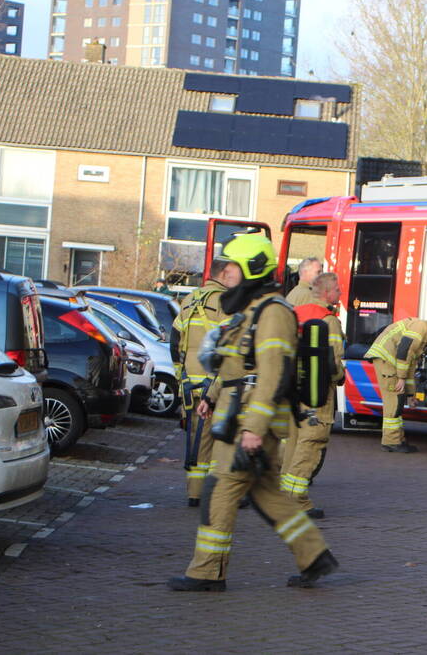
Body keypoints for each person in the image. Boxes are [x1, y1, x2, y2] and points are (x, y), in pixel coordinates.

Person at [168, 233, 338, 592]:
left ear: (250, 269)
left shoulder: (273, 312)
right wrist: (211, 395)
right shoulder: (250, 311)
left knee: (219, 491)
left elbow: (271, 372)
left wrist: (255, 428)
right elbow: (236, 366)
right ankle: (314, 556)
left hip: (249, 421)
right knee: (267, 494)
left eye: (231, 266)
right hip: (238, 414)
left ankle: (206, 572)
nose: (225, 273)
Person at [169, 259, 235, 507]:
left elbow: (175, 342)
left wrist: (180, 377)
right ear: (225, 275)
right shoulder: (225, 303)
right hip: (215, 384)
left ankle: (194, 493)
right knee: (220, 441)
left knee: (196, 439)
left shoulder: (189, 300)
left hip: (190, 385)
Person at [281, 272, 345, 519]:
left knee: (293, 443)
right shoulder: (329, 320)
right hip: (318, 394)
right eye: (338, 289)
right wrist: (340, 377)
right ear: (328, 292)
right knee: (312, 442)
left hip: (293, 392)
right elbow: (334, 362)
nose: (339, 294)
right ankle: (296, 500)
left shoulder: (295, 313)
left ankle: (287, 496)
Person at [364, 313, 427, 453]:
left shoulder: (423, 334)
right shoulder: (420, 327)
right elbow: (404, 351)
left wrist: (410, 394)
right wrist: (401, 378)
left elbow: (410, 365)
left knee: (397, 401)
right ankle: (391, 442)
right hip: (387, 362)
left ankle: (397, 439)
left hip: (390, 362)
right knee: (393, 402)